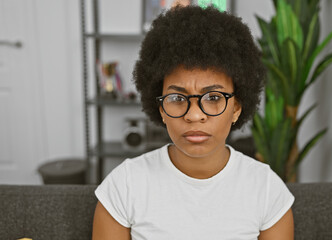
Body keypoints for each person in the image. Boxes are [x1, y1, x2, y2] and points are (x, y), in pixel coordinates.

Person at [92, 5, 294, 240]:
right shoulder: (124, 185)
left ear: (236, 108)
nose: (195, 115)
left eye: (214, 98)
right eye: (177, 98)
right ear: (161, 109)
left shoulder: (267, 190)